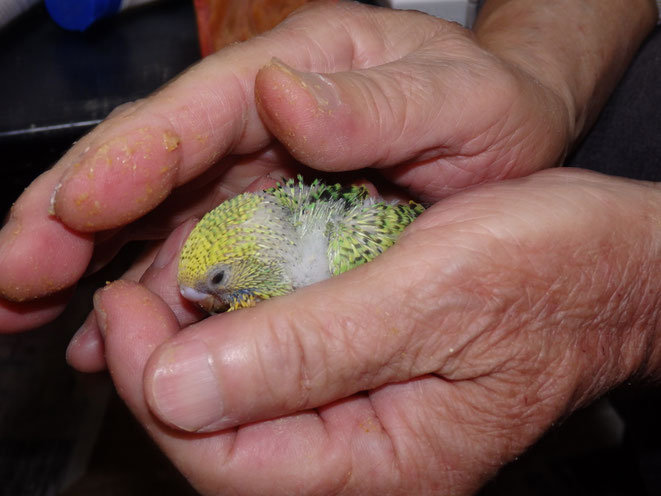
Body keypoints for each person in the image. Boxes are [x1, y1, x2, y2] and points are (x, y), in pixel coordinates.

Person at [1, 0, 660, 494]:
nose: (201, 298)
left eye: (220, 280)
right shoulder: (263, 233)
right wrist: (532, 75)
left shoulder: (352, 246)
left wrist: (639, 290)